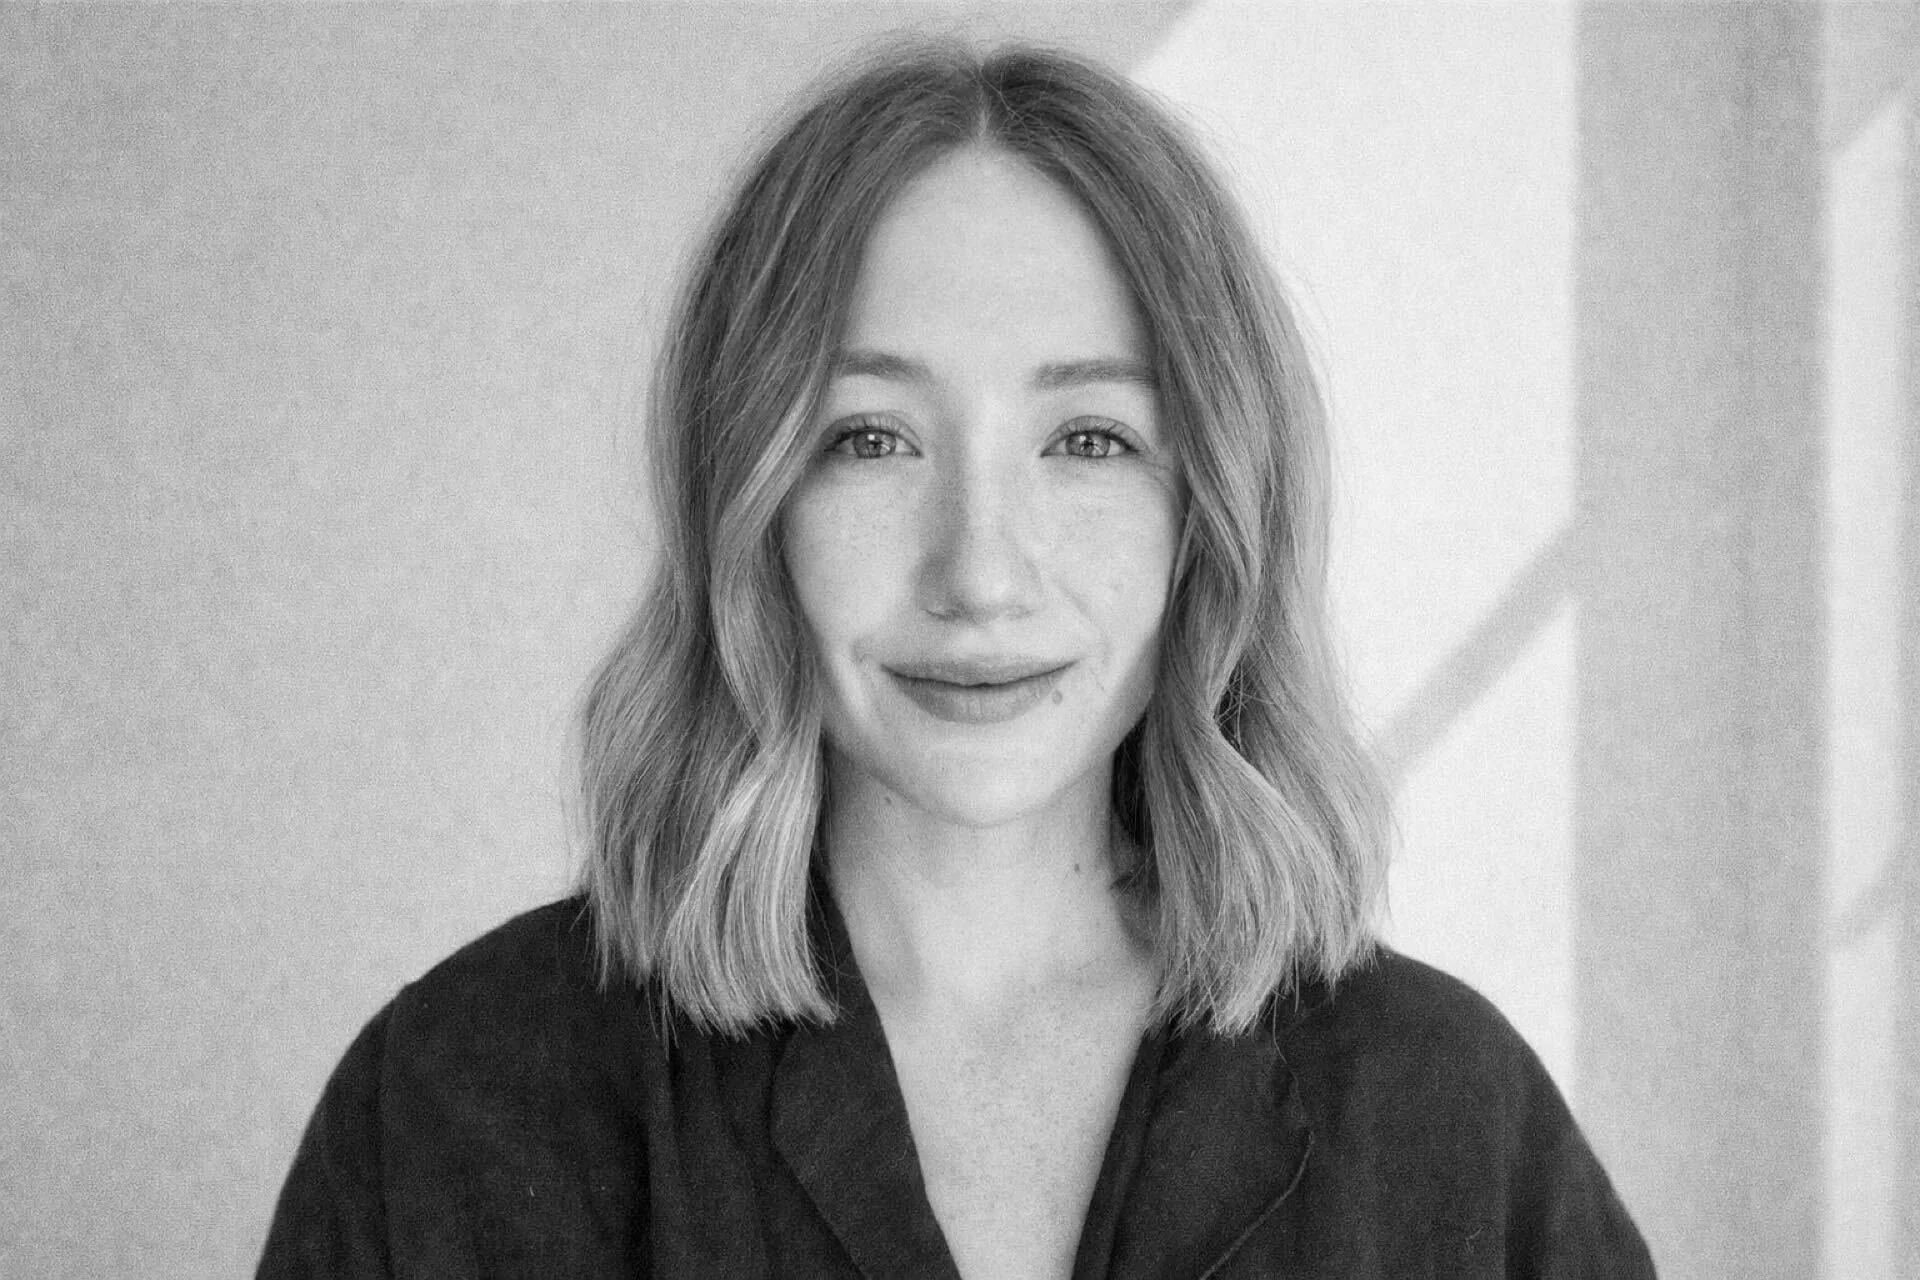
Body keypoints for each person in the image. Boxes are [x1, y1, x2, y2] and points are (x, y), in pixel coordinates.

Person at [259, 41, 1656, 1279]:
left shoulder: (1448, 1122)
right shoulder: (457, 1102)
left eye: (1089, 440)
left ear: (1211, 511)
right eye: (870, 439)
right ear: (747, 501)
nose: (981, 574)